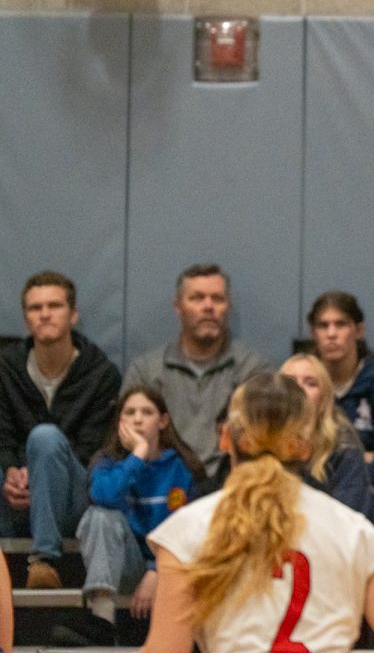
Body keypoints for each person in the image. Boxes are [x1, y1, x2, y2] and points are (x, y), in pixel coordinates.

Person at [139, 372, 374, 653]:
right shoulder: (355, 532)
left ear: (226, 438)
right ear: (306, 447)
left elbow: (167, 649)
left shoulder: (187, 529)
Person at [0, 270, 121, 589]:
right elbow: (3, 435)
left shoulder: (101, 373)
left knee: (45, 437)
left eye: (54, 306)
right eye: (35, 308)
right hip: (14, 495)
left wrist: (38, 476)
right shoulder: (5, 368)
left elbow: (94, 450)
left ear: (73, 315)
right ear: (26, 319)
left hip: (74, 496)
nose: (44, 314)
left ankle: (45, 560)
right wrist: (12, 470)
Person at [77, 386, 205, 636]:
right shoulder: (106, 462)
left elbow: (194, 531)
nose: (137, 419)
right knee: (101, 514)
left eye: (147, 412)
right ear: (119, 422)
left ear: (163, 421)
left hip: (173, 569)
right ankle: (102, 620)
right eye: (130, 412)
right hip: (124, 565)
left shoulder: (183, 467)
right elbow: (104, 497)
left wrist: (158, 571)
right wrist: (138, 455)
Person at [124, 263, 272, 478]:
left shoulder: (254, 370)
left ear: (227, 306)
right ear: (178, 307)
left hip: (229, 486)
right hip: (161, 484)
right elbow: (127, 439)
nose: (208, 306)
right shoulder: (146, 370)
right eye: (197, 298)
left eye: (217, 299)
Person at [307, 290, 374, 485]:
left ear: (358, 330)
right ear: (313, 333)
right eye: (323, 325)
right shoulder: (302, 384)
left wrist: (323, 462)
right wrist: (360, 459)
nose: (331, 334)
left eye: (340, 324)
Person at [279, 353, 373, 517]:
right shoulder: (261, 442)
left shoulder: (344, 447)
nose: (300, 388)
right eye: (290, 382)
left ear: (323, 400)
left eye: (310, 383)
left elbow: (349, 520)